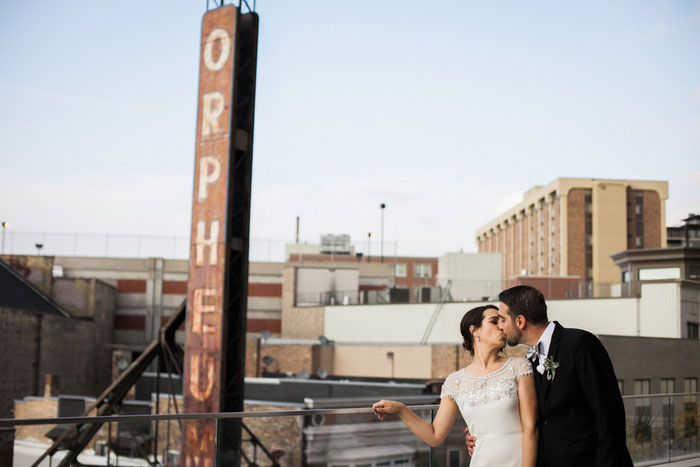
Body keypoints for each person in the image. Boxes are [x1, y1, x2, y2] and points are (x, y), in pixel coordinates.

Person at [466, 285, 633, 467]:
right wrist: (480, 435)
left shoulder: (579, 344)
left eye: (503, 320)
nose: (500, 326)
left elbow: (609, 416)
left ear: (520, 321)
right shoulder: (527, 363)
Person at [373, 305, 538, 467]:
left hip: (519, 458)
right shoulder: (455, 382)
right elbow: (435, 436)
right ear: (474, 331)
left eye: (502, 321)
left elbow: (532, 427)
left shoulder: (519, 367)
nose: (501, 326)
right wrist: (401, 409)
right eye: (494, 321)